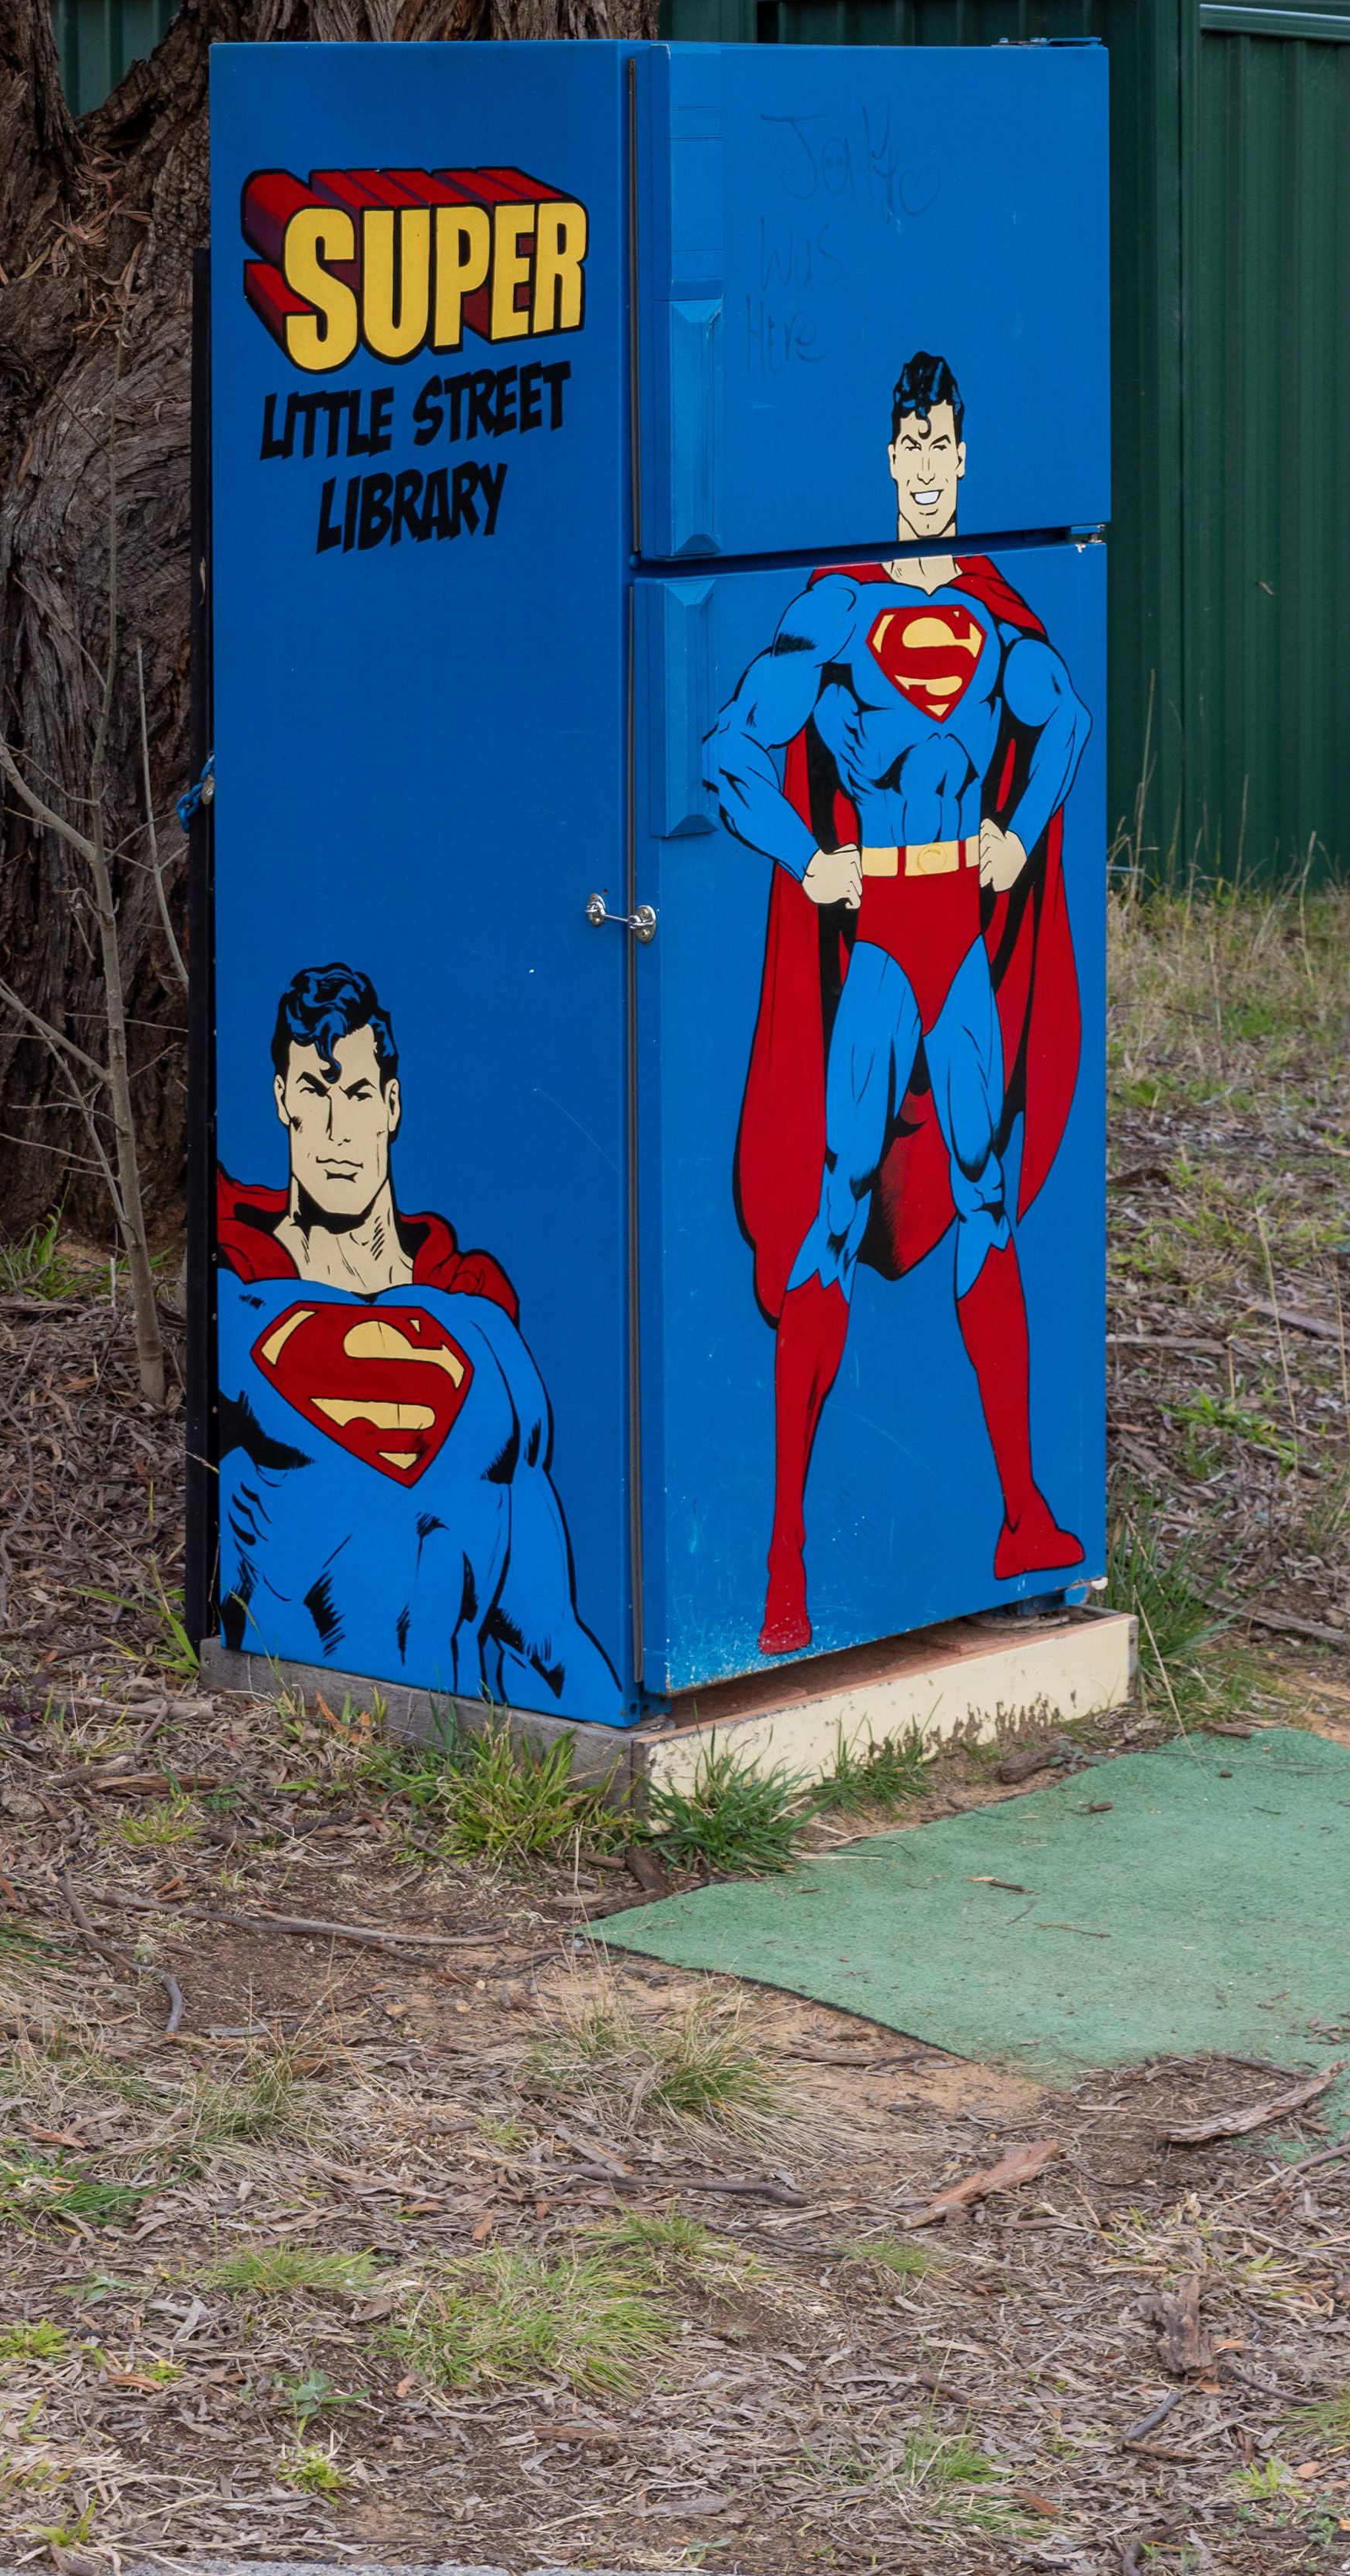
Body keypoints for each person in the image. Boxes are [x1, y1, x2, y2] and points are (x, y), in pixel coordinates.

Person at [702, 349, 1090, 1655]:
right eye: (908, 445)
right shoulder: (832, 604)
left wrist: (1021, 832)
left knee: (985, 1198)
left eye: (943, 446)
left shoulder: (993, 607)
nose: (926, 467)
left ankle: (1024, 1515)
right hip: (880, 931)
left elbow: (1069, 721)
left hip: (959, 938)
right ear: (887, 458)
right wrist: (809, 857)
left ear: (965, 458)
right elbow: (728, 749)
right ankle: (785, 1559)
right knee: (831, 1209)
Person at [213, 960, 620, 1712]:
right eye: (316, 1091)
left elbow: (549, 1639)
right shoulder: (233, 1298)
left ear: (392, 1106)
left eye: (359, 1094)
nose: (338, 1129)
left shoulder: (480, 1329)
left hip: (452, 1750)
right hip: (296, 1751)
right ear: (281, 1101)